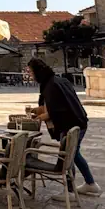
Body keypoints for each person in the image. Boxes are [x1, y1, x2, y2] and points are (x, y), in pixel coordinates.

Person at [27, 58, 100, 196]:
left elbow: (56, 110)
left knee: (68, 156)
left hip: (70, 125)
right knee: (74, 154)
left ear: (37, 72)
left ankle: (71, 191)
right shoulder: (56, 81)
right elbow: (56, 105)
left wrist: (40, 117)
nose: (30, 75)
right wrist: (39, 110)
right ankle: (90, 184)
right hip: (78, 122)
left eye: (31, 72)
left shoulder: (51, 86)